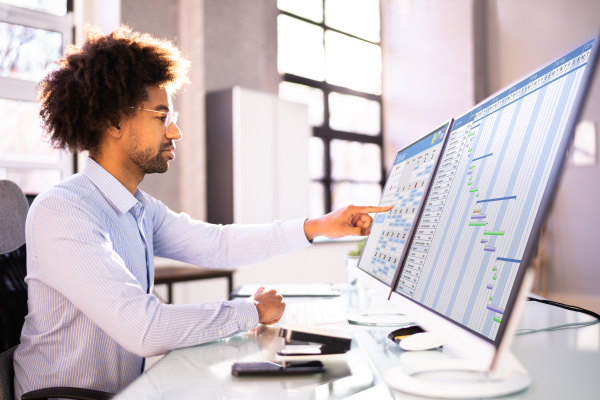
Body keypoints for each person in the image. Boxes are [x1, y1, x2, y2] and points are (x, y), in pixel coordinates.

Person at [13, 25, 391, 397]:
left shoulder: (139, 208)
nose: (175, 132)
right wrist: (252, 312)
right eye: (161, 117)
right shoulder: (63, 210)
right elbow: (145, 329)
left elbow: (218, 244)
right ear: (113, 121)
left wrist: (318, 226)